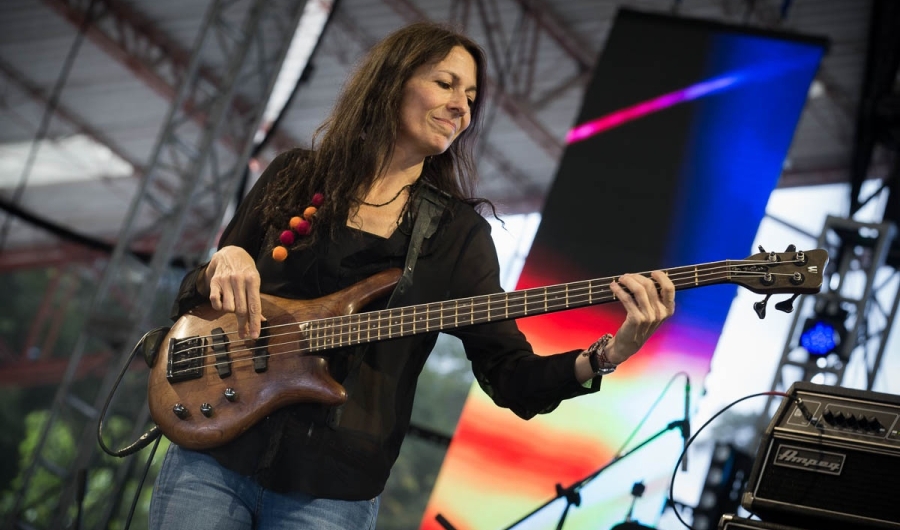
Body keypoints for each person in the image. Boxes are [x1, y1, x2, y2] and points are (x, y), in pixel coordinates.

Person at [149, 21, 675, 530]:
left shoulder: (456, 235)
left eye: (470, 97)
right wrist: (225, 261)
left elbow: (511, 377)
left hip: (331, 491)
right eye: (445, 83)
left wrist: (608, 355)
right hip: (214, 454)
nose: (461, 107)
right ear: (391, 82)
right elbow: (193, 301)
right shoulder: (295, 175)